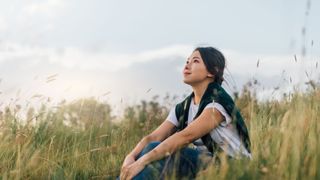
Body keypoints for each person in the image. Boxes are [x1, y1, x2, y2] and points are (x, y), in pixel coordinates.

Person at [118, 47, 251, 180]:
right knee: (151, 150)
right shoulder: (184, 107)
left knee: (153, 153)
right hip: (207, 163)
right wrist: (130, 157)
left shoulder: (217, 102)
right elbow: (152, 138)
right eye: (187, 61)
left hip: (234, 167)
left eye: (195, 61)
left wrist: (141, 162)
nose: (188, 64)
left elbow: (186, 136)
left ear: (212, 71)